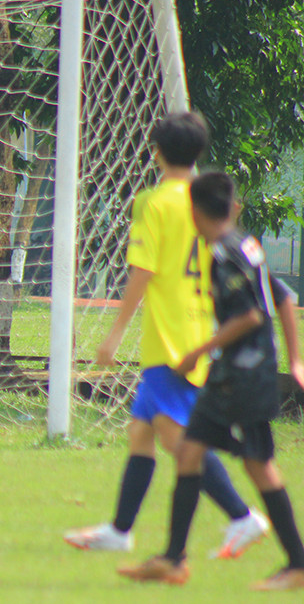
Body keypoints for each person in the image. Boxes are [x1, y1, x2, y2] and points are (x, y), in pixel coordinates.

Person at [64, 112, 267, 556]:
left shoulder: (153, 202)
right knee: (141, 431)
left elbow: (143, 271)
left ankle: (242, 515)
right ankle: (120, 531)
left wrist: (114, 334)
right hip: (199, 328)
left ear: (155, 152)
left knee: (175, 436)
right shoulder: (207, 199)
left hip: (169, 337)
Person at [118, 171, 304, 590]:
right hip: (231, 376)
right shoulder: (248, 245)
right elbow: (285, 298)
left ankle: (297, 562)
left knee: (260, 467)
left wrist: (196, 353)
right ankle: (172, 559)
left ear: (196, 211)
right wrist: (295, 361)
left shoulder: (222, 253)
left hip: (243, 376)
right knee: (189, 451)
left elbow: (251, 316)